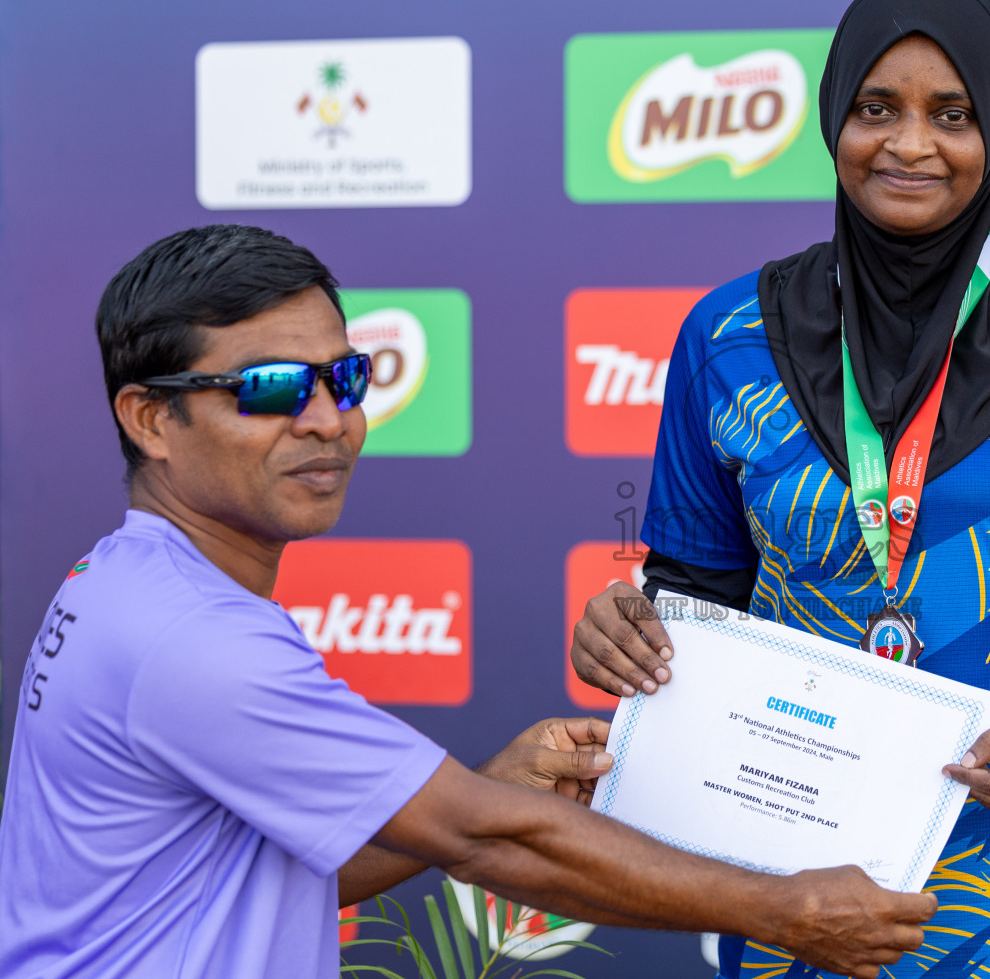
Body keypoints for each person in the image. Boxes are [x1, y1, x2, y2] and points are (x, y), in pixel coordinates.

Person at [0, 224, 934, 979]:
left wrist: (487, 784)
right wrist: (786, 910)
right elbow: (491, 842)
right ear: (151, 418)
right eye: (272, 388)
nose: (328, 418)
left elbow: (250, 874)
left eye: (347, 377)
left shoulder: (129, 581)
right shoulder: (193, 639)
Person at [573, 0, 990, 978]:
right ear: (835, 118)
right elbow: (696, 593)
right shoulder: (727, 334)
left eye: (952, 115)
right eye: (878, 108)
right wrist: (634, 625)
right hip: (803, 898)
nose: (910, 145)